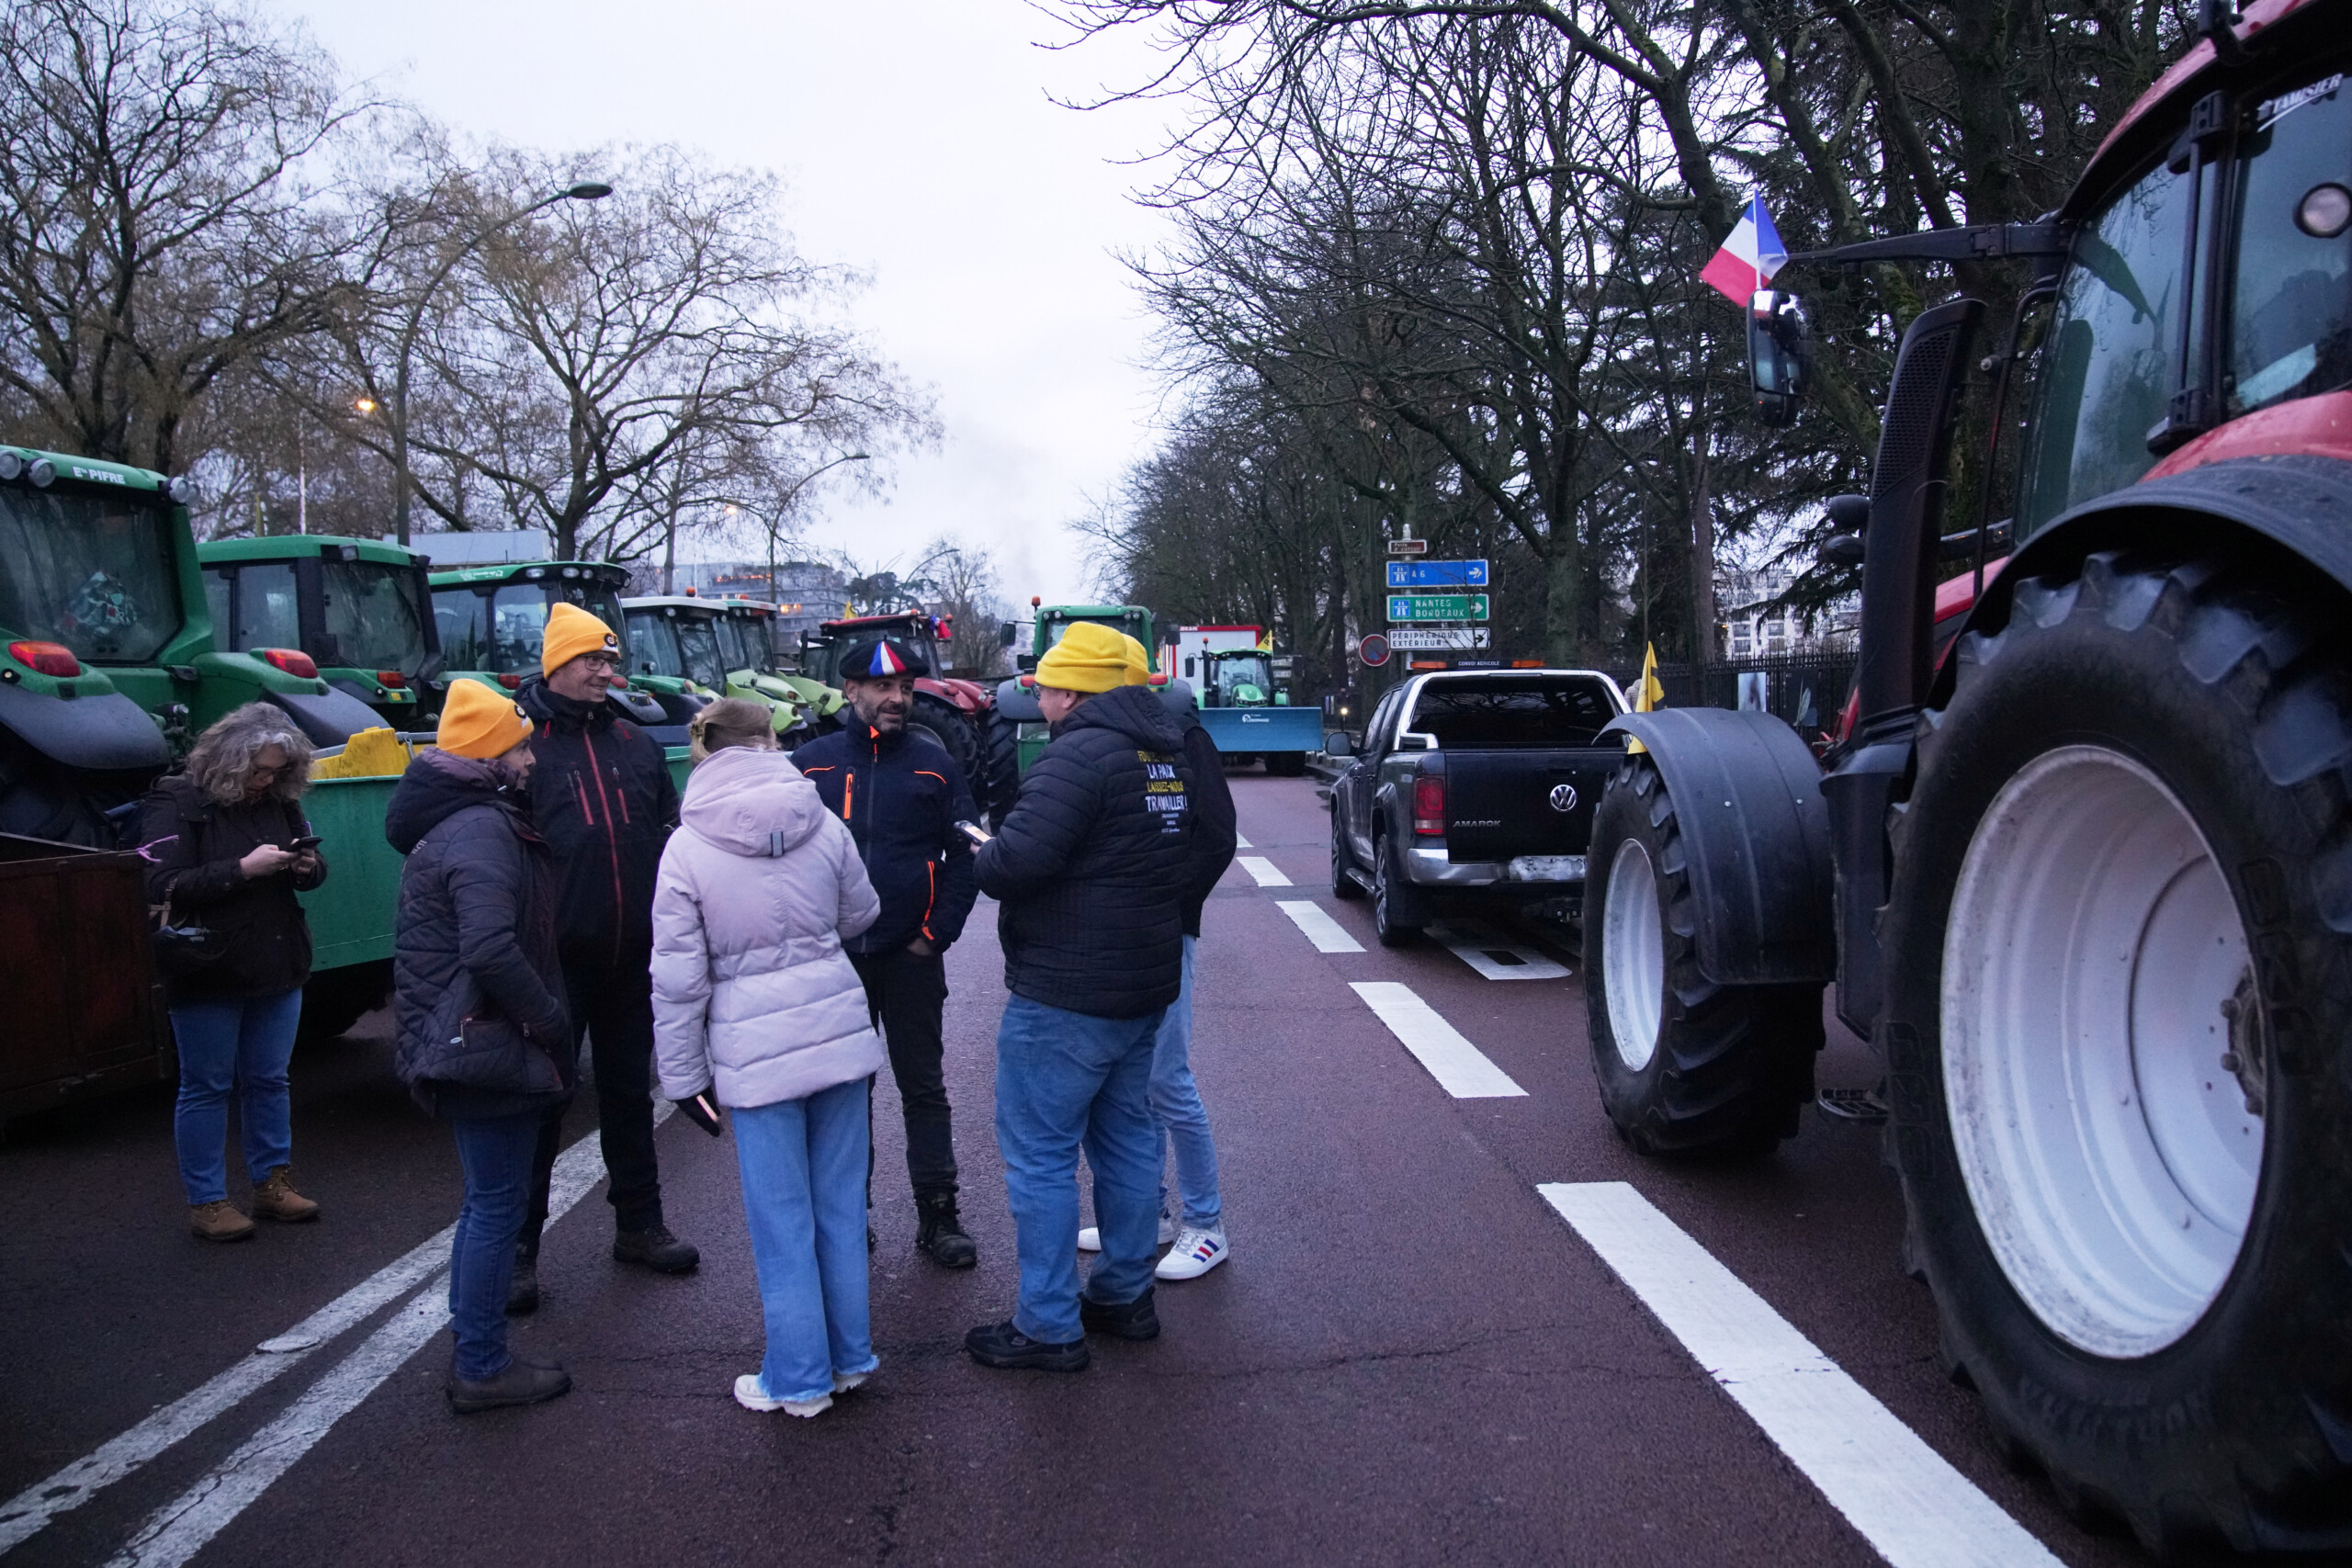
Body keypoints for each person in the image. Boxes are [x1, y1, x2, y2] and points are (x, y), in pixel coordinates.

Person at [964, 621, 1217, 1372]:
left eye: (1043, 682)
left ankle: (1047, 1324)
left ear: (1072, 689)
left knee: (1040, 1155)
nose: (1036, 694)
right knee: (1130, 1141)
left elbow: (1018, 863)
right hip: (1143, 980)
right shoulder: (1165, 748)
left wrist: (984, 848)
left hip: (1066, 990)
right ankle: (1124, 1297)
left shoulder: (1077, 754)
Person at [650, 699, 884, 1417]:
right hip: (838, 1032)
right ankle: (848, 1358)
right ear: (768, 741)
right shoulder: (823, 819)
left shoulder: (687, 846)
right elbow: (862, 913)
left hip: (755, 1052)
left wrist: (684, 1076)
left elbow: (679, 979)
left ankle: (799, 1376)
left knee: (781, 1222)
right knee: (840, 1207)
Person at [386, 680, 575, 1414]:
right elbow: (491, 947)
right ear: (491, 754)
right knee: (496, 1204)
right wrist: (550, 1018)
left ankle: (480, 1352)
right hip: (485, 1039)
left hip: (464, 1033)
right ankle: (483, 1361)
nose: (530, 758)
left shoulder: (460, 822)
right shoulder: (483, 830)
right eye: (520, 745)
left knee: (485, 1202)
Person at [512, 602, 696, 1310]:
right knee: (543, 1103)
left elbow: (668, 825)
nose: (606, 671)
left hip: (632, 951)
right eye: (593, 659)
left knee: (628, 1092)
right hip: (554, 957)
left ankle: (640, 1224)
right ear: (558, 662)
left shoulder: (633, 740)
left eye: (611, 660)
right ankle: (519, 1252)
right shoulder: (524, 743)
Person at [791, 634, 981, 1269]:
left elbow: (967, 857)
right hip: (835, 959)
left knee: (922, 1086)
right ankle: (851, 1215)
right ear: (851, 691)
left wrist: (937, 935)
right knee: (846, 1089)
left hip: (911, 955)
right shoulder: (810, 764)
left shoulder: (936, 766)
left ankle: (939, 1213)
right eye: (882, 687)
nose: (896, 697)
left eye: (903, 687)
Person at [1077, 639, 1238, 1279]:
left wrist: (1173, 905)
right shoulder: (1123, 736)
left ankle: (1206, 1224)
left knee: (1167, 1078)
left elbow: (1218, 834)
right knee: (1135, 1083)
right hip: (1129, 932)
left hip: (1166, 930)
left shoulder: (1184, 735)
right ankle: (1152, 1212)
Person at [140, 703, 328, 1241]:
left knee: (270, 1079)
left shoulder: (279, 799)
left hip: (276, 958)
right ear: (228, 758)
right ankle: (208, 1201)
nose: (266, 781)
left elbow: (310, 873)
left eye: (275, 771)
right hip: (206, 967)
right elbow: (157, 885)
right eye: (258, 771)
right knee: (207, 1086)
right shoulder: (176, 798)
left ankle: (272, 1185)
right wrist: (243, 870)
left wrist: (308, 867)